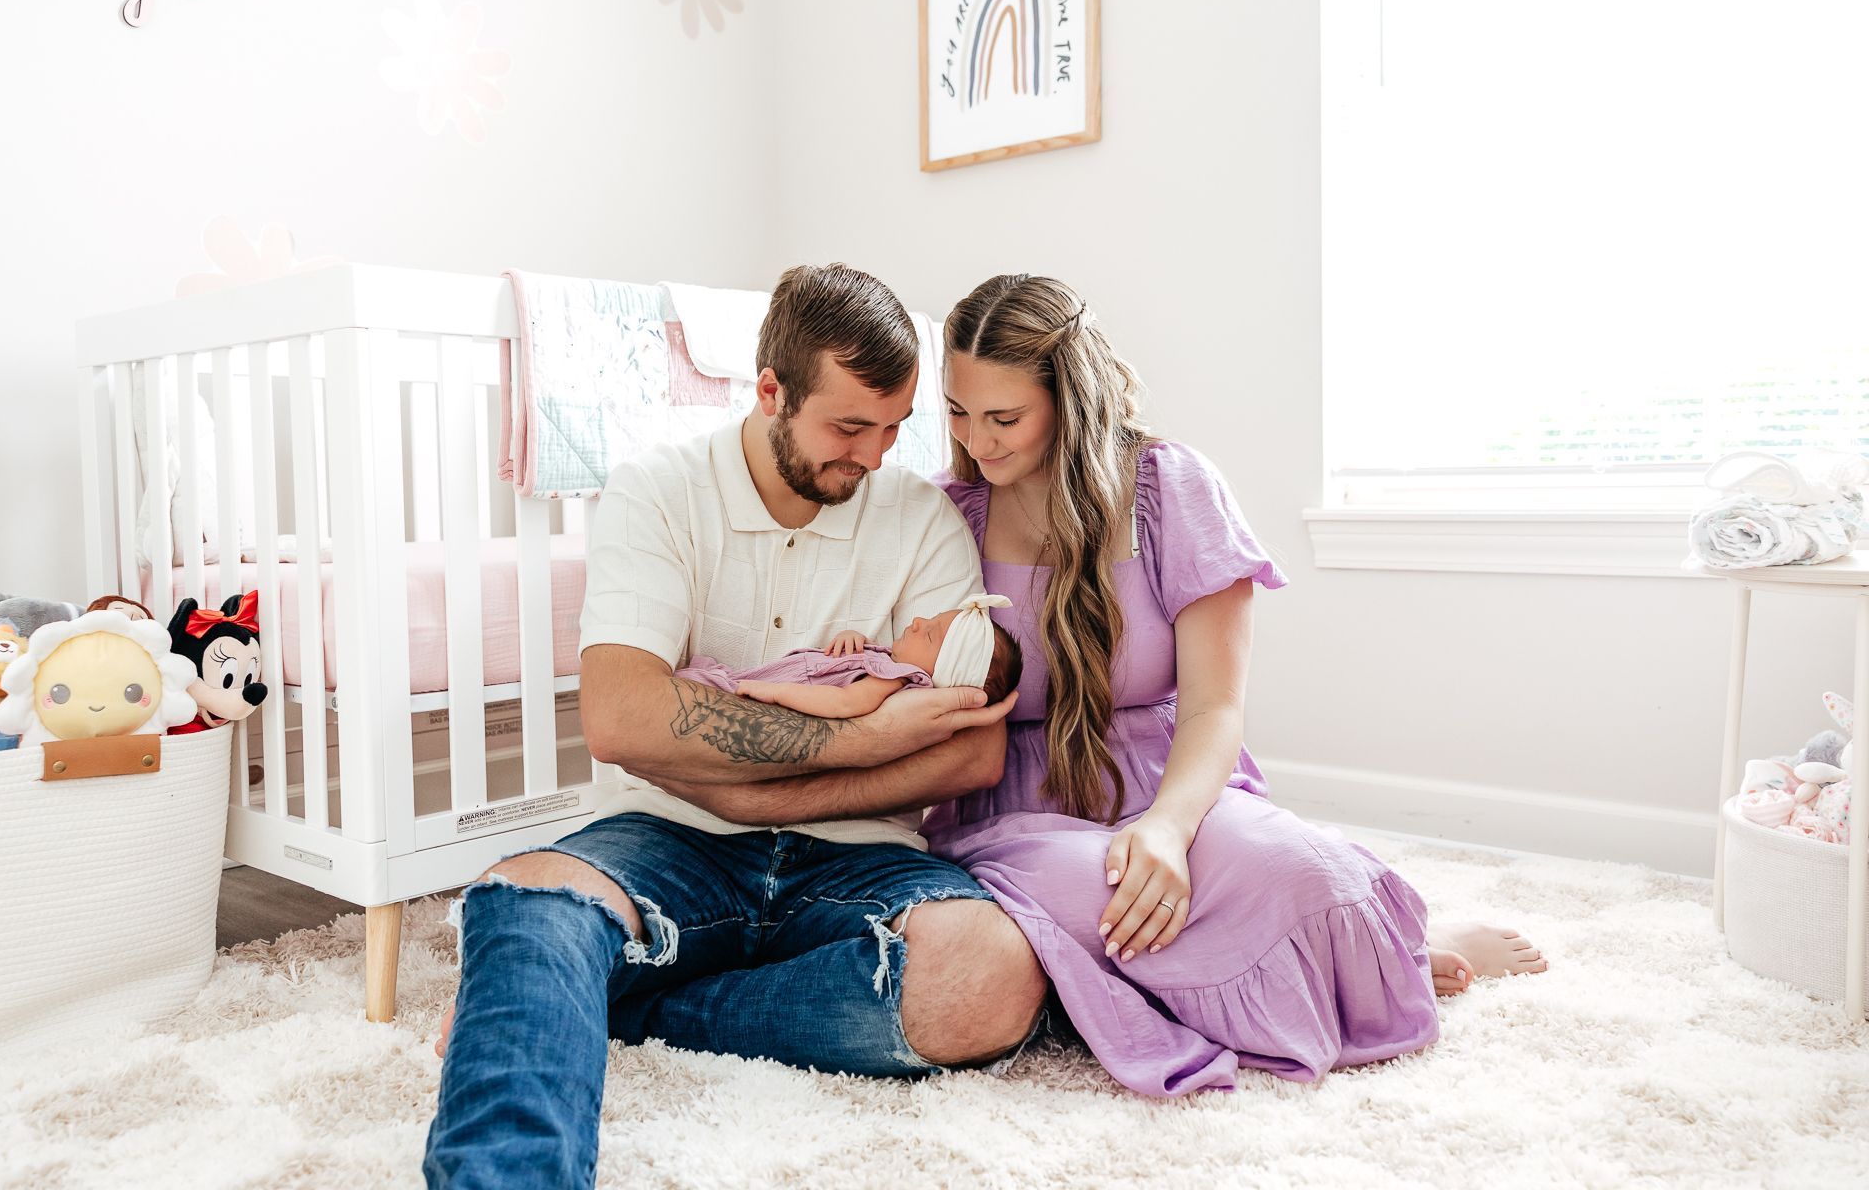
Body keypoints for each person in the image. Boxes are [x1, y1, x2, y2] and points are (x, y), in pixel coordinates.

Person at [424, 265, 1041, 1189]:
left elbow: (975, 747)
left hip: (859, 856)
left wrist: (735, 774)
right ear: (770, 393)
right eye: (847, 427)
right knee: (526, 904)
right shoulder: (658, 492)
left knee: (993, 973)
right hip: (669, 839)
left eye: (894, 429)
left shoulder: (920, 520)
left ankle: (643, 1010)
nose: (875, 456)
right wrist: (867, 740)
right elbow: (623, 716)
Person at [920, 273, 1550, 1095]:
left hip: (1171, 782)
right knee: (1100, 903)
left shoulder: (1170, 489)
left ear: (1070, 402)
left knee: (1305, 873)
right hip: (1018, 817)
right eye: (959, 411)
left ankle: (1385, 951)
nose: (977, 440)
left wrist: (1169, 830)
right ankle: (1328, 971)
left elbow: (1215, 705)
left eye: (1003, 417)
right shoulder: (948, 515)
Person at [675, 594, 1023, 718]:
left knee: (696, 692)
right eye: (929, 619)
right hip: (767, 683)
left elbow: (843, 703)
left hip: (773, 695)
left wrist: (774, 693)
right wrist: (854, 640)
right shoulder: (888, 663)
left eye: (929, 633)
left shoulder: (896, 681)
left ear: (942, 671)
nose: (917, 622)